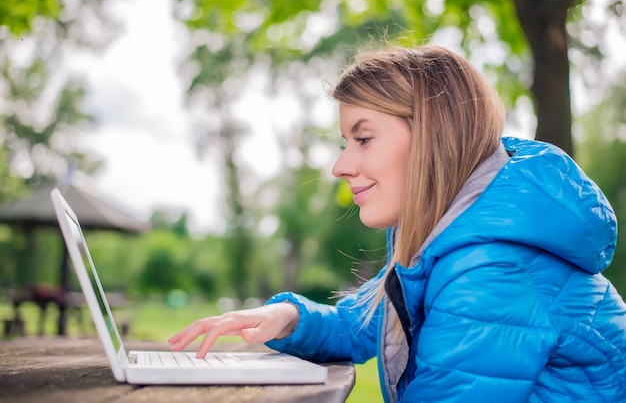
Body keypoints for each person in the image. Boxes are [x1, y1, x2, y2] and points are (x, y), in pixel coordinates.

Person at [168, 44, 626, 402]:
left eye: (363, 138)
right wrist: (283, 316)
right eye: (345, 142)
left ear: (431, 136)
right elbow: (363, 325)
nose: (340, 166)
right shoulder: (445, 243)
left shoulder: (490, 269)